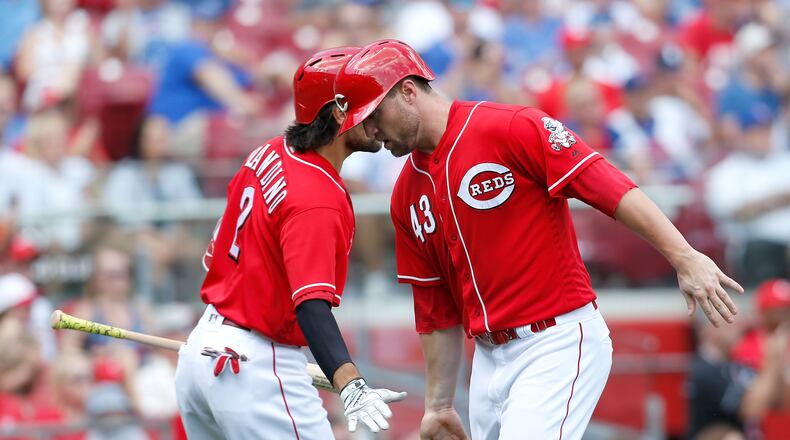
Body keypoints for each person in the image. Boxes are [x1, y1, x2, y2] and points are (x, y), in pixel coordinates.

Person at [334, 39, 744, 440]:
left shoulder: (509, 126)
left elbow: (606, 185)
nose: (369, 131)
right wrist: (439, 405)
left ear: (408, 91)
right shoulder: (406, 192)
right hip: (488, 358)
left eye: (373, 114)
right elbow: (435, 305)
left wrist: (684, 255)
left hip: (555, 340)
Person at [175, 46, 406, 439]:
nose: (379, 113)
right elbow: (311, 306)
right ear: (337, 112)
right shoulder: (318, 196)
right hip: (256, 366)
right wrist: (350, 383)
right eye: (368, 103)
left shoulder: (268, 151)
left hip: (203, 351)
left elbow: (214, 254)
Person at [687, 312, 788, 439]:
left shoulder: (736, 364)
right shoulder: (704, 370)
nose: (737, 327)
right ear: (706, 329)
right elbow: (750, 411)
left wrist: (779, 362)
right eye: (728, 320)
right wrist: (772, 362)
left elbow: (782, 402)